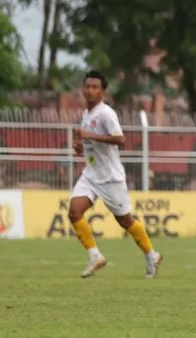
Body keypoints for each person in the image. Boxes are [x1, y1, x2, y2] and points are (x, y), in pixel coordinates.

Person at [68, 70, 162, 279]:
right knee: (74, 212)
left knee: (125, 221)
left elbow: (120, 140)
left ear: (103, 91)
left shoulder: (106, 113)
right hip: (91, 174)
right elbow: (91, 141)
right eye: (87, 86)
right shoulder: (86, 115)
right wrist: (80, 146)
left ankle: (152, 255)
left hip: (110, 177)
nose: (90, 91)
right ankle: (95, 257)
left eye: (95, 87)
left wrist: (88, 135)